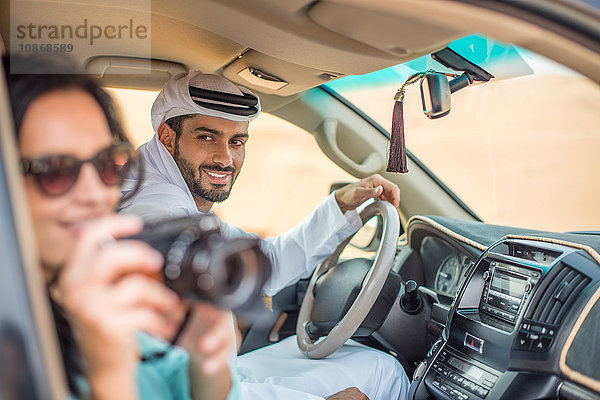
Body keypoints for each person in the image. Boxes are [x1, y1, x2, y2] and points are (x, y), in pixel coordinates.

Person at [119, 71, 410, 399]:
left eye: (236, 141)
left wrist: (340, 205)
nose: (225, 158)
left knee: (379, 366)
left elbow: (268, 260)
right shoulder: (159, 217)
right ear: (168, 138)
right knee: (386, 376)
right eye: (207, 137)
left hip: (216, 380)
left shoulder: (167, 196)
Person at [4, 55, 238, 400]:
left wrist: (205, 360)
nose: (97, 193)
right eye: (55, 169)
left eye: (107, 163)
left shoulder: (102, 293)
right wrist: (109, 374)